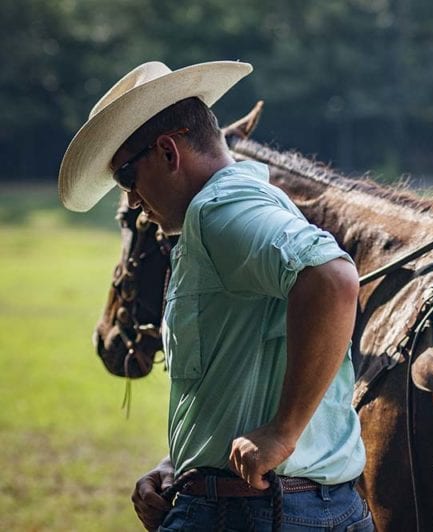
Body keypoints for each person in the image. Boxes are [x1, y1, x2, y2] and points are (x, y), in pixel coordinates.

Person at [58, 61, 372, 531]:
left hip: (251, 513)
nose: (134, 201)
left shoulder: (217, 210)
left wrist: (283, 433)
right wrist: (180, 468)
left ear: (167, 152)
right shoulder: (239, 204)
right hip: (294, 506)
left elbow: (332, 279)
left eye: (126, 177)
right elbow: (240, 368)